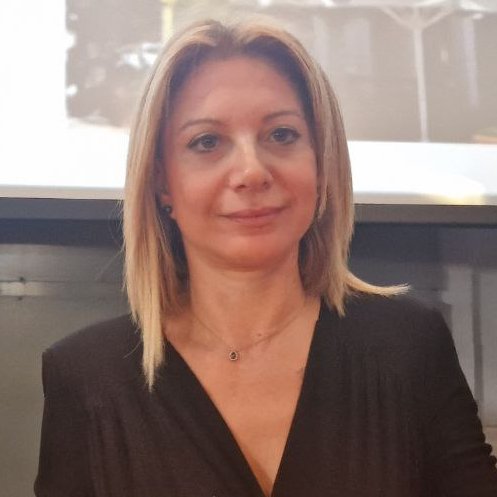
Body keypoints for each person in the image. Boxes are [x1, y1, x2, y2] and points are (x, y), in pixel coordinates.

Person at [34, 19, 497, 497]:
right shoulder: (85, 375)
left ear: (321, 162)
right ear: (161, 182)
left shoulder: (408, 345)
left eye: (281, 135)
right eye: (207, 142)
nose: (252, 171)